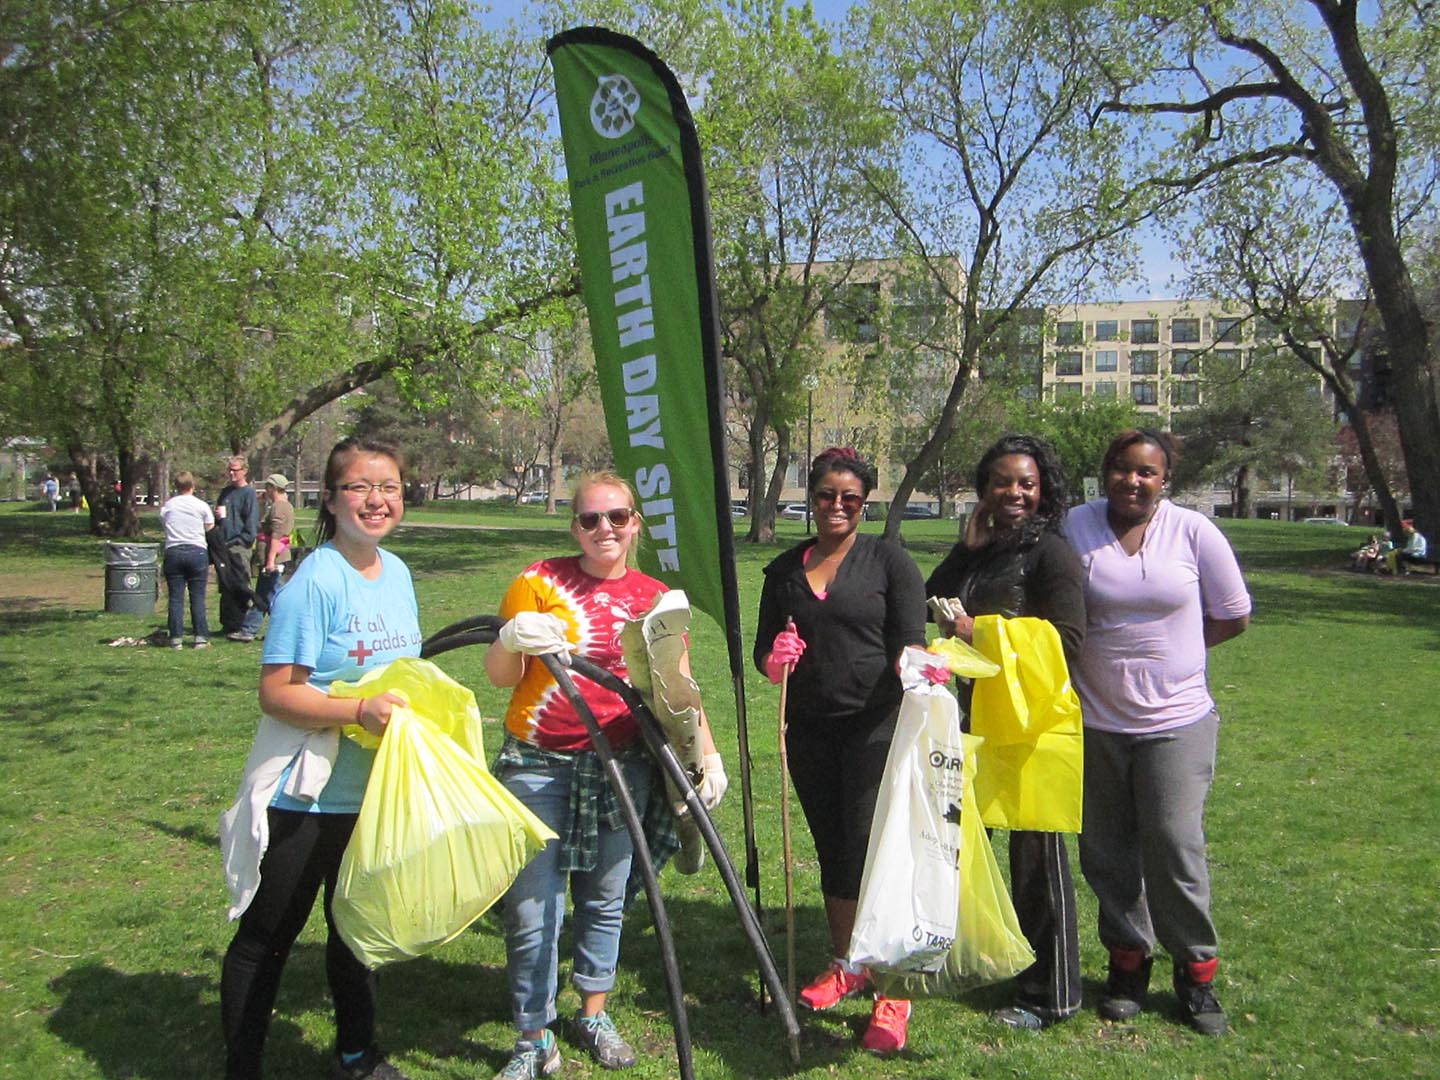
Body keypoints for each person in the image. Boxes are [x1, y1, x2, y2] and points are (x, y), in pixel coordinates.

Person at [484, 470, 727, 1080]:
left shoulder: (657, 598)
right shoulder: (538, 581)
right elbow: (498, 675)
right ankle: (532, 1039)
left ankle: (592, 1012)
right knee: (534, 908)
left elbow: (679, 690)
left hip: (623, 764)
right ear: (574, 526)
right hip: (538, 763)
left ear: (634, 523)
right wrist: (511, 638)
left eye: (617, 517)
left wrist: (708, 753)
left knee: (606, 898)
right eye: (590, 519)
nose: (604, 530)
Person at [219, 437, 418, 1080]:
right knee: (267, 938)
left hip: (373, 793)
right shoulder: (317, 580)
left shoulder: (398, 572)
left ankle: (357, 1055)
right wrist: (358, 713)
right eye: (359, 487)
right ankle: (242, 1067)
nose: (376, 500)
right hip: (308, 795)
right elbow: (277, 691)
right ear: (331, 500)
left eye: (387, 486)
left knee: (356, 934)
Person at [1064, 429, 1251, 1036]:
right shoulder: (1077, 526)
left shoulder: (1194, 531)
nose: (1133, 481)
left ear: (1163, 480)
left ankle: (1196, 974)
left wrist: (1180, 657)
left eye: (1146, 472)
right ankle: (1127, 963)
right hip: (1096, 722)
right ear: (1105, 472)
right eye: (1122, 469)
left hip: (1177, 721)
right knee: (1107, 852)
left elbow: (1233, 614)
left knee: (1174, 844)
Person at [753, 446, 929, 1056]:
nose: (835, 506)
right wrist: (776, 661)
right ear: (812, 494)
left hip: (875, 727)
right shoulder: (782, 571)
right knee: (834, 847)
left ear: (865, 503)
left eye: (849, 498)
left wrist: (925, 678)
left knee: (874, 850)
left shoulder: (890, 562)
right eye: (826, 494)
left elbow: (911, 643)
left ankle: (894, 993)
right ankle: (849, 960)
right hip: (808, 729)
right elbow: (762, 655)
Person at [924, 434, 1086, 1031]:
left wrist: (976, 630)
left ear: (1043, 490)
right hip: (973, 720)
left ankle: (1052, 993)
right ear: (983, 489)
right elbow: (929, 600)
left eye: (1026, 483)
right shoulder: (987, 549)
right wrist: (966, 554)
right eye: (1001, 482)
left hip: (1031, 729)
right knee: (963, 850)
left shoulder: (1053, 556)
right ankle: (975, 959)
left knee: (1036, 862)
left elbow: (1068, 644)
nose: (1012, 493)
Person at [230, 474, 297, 643]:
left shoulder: (279, 507)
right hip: (275, 559)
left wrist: (270, 560)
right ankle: (251, 630)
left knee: (269, 597)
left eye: (267, 487)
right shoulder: (280, 505)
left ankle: (280, 631)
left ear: (272, 488)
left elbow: (277, 535)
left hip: (276, 559)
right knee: (265, 595)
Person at [160, 471, 216, 649]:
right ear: (193, 486)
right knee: (197, 597)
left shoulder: (168, 506)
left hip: (174, 550)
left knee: (176, 597)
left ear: (176, 486)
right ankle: (200, 636)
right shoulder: (201, 505)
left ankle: (176, 638)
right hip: (196, 551)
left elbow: (164, 523)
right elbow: (210, 525)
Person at [217, 456, 260, 635]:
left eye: (236, 470)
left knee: (241, 584)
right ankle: (228, 623)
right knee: (226, 586)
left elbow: (251, 524)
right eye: (230, 470)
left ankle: (245, 625)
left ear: (245, 471)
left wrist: (242, 541)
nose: (232, 473)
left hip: (239, 545)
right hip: (223, 545)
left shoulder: (248, 494)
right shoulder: (226, 492)